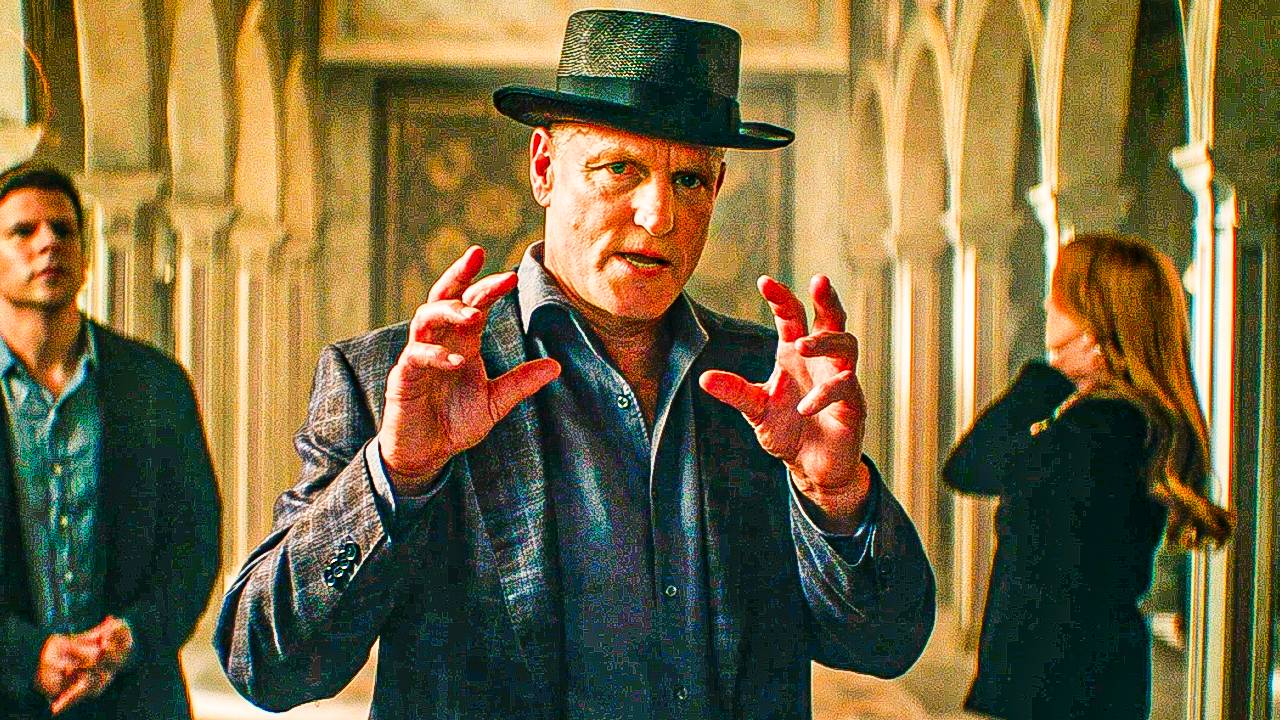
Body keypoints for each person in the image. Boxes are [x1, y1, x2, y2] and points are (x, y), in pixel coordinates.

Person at [215, 9, 935, 719]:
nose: (659, 216)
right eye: (619, 169)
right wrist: (397, 473)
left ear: (717, 189)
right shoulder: (393, 382)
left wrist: (836, 495)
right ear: (544, 168)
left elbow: (885, 646)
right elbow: (267, 665)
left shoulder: (769, 387)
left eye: (690, 180)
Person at [943, 232, 1234, 720]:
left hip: (1056, 684)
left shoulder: (1100, 431)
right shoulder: (1126, 422)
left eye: (1058, 296)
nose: (1046, 304)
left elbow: (970, 467)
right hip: (1093, 676)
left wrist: (1045, 380)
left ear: (1091, 319)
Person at [0, 162, 222, 718]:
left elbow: (194, 544)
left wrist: (131, 635)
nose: (48, 242)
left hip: (135, 697)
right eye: (23, 231)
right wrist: (27, 656)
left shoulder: (154, 384)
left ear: (86, 253)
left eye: (63, 229)